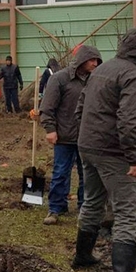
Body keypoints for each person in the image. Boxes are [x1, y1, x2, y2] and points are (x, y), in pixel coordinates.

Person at [72, 27, 136, 272]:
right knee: (129, 211)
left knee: (93, 201)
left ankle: (83, 256)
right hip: (113, 152)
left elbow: (80, 109)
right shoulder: (134, 76)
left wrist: (89, 138)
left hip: (88, 147)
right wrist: (135, 158)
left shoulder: (102, 69)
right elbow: (129, 120)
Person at [39, 45, 102, 226]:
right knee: (60, 173)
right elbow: (47, 107)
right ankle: (56, 208)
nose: (95, 63)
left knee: (88, 174)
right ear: (82, 60)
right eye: (91, 60)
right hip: (64, 136)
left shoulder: (96, 80)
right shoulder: (60, 79)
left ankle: (85, 207)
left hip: (88, 137)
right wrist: (50, 129)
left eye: (97, 60)